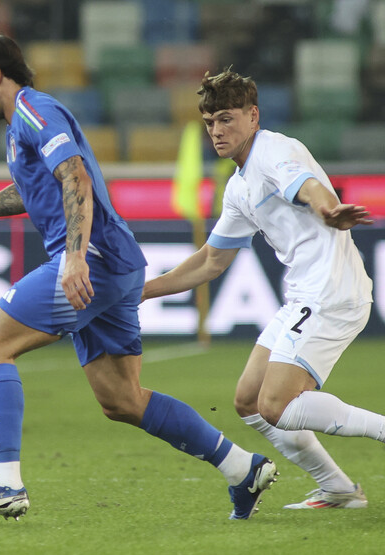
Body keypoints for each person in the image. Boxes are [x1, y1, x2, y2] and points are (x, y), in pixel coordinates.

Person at [0, 31, 277, 523]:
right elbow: (34, 190)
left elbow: (75, 177)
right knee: (122, 400)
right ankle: (241, 468)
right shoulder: (23, 124)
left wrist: (75, 257)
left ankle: (4, 483)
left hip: (94, 261)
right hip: (118, 264)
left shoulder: (35, 111)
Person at [142, 68, 378, 510]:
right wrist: (142, 291)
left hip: (330, 293)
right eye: (210, 122)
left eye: (227, 119)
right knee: (248, 401)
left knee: (276, 404)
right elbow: (212, 261)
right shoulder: (239, 186)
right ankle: (339, 489)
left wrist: (329, 209)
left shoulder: (274, 151)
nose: (217, 131)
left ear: (253, 116)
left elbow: (308, 187)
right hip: (305, 295)